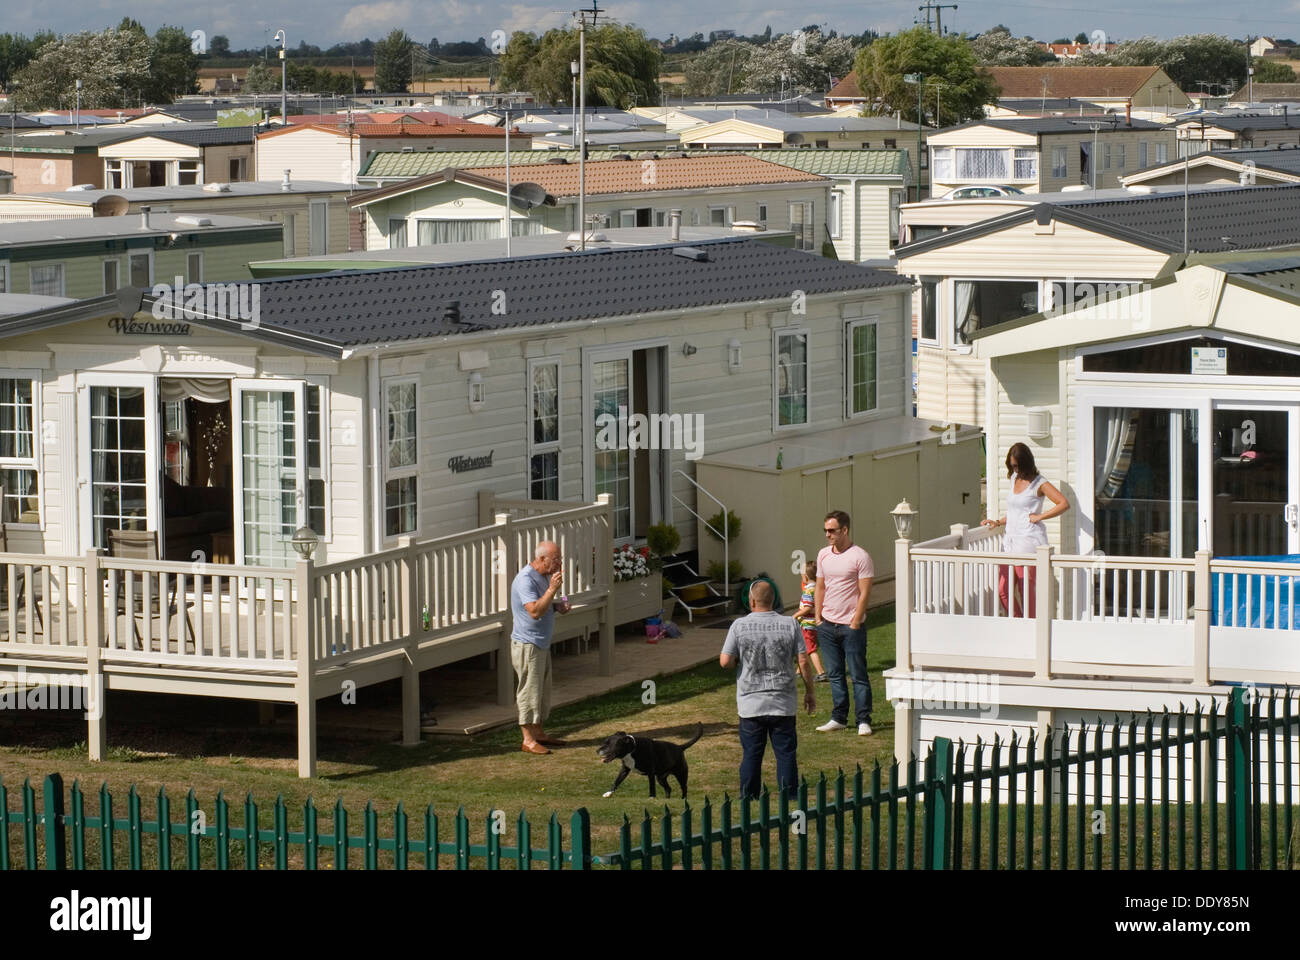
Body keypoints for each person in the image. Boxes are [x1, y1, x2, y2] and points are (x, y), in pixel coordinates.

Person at [720, 580, 815, 800]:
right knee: (785, 753)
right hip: (783, 702)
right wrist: (810, 692)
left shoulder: (739, 626)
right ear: (773, 600)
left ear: (751, 601)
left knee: (752, 753)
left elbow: (725, 661)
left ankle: (749, 796)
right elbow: (804, 661)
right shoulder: (790, 624)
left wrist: (737, 662)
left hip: (751, 703)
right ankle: (788, 795)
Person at [982, 442, 1070, 617]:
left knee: (1026, 591)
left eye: (1017, 465)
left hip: (1028, 543)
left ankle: (1030, 628)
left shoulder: (1039, 483)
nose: (1015, 469)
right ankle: (1018, 622)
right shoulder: (1014, 479)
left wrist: (1039, 517)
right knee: (1003, 590)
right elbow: (1016, 512)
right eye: (1012, 465)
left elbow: (1064, 503)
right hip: (1009, 543)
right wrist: (998, 522)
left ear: (1026, 463)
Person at [814, 511, 875, 736]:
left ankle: (863, 719)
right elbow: (820, 587)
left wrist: (856, 621)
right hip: (828, 625)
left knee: (858, 674)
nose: (828, 535)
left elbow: (865, 591)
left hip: (851, 627)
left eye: (832, 530)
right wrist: (819, 618)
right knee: (835, 674)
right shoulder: (823, 555)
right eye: (826, 530)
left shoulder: (860, 556)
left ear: (845, 530)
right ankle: (839, 717)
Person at [510, 540, 572, 755]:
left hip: (541, 642)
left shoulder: (544, 576)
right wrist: (553, 590)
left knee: (541, 691)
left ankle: (539, 733)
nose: (559, 563)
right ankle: (527, 740)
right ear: (542, 559)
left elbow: (545, 605)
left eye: (560, 559)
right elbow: (534, 611)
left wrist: (558, 605)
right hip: (528, 644)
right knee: (528, 691)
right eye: (556, 559)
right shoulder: (525, 579)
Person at [793, 560, 828, 682]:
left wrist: (795, 615)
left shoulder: (808, 590)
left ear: (805, 576)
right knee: (805, 647)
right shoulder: (818, 588)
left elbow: (807, 608)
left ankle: (821, 672)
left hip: (807, 625)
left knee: (811, 649)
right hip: (815, 623)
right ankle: (799, 671)